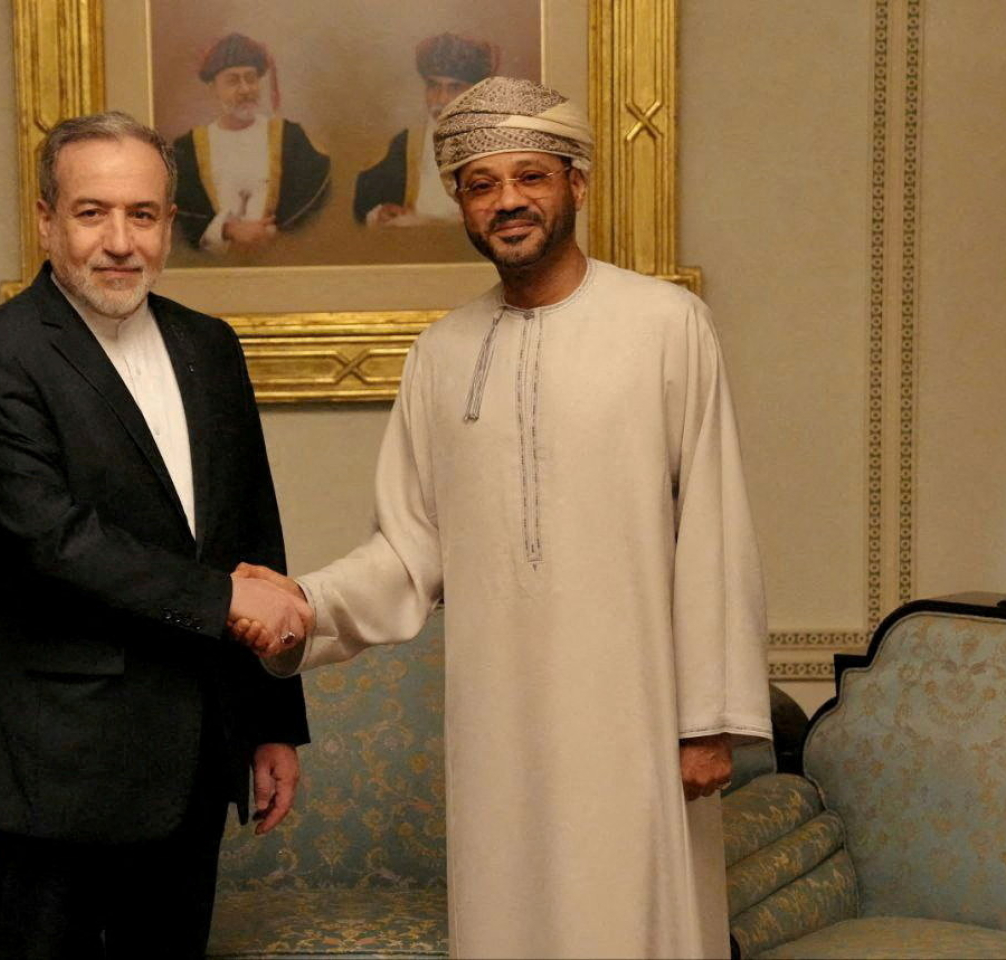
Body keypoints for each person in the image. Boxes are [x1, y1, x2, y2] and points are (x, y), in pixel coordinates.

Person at [234, 77, 772, 958]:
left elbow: (713, 528)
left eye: (532, 176)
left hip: (638, 717)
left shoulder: (668, 326)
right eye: (482, 184)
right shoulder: (441, 354)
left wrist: (706, 720)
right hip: (498, 728)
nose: (509, 200)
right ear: (460, 201)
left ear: (577, 185)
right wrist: (301, 604)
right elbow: (409, 554)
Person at [0, 110, 312, 959]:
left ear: (168, 225)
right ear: (45, 219)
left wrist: (270, 719)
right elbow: (49, 540)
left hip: (196, 756)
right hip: (61, 757)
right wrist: (225, 599)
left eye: (142, 215)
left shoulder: (209, 347)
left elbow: (252, 530)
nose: (119, 241)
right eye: (91, 212)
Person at [173, 33, 330, 253]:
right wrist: (227, 230)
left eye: (251, 78)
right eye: (233, 80)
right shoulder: (188, 149)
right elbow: (178, 218)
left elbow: (318, 200)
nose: (246, 89)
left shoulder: (291, 138)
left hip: (279, 261)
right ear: (213, 88)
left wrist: (278, 232)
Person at [352, 33, 497, 226]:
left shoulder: (498, 142)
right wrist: (382, 212)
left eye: (454, 88)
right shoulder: (406, 143)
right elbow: (364, 204)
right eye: (433, 86)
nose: (441, 99)